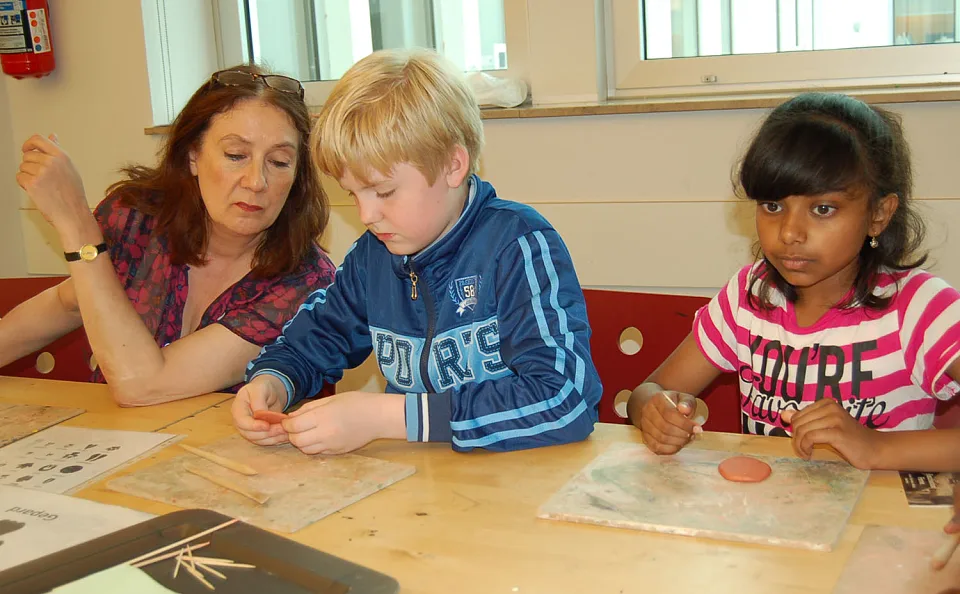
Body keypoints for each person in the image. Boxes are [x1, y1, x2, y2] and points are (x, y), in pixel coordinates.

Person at [232, 49, 601, 454]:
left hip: (518, 484)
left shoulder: (518, 245)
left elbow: (564, 399)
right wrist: (271, 381)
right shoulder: (373, 257)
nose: (366, 214)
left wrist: (386, 417)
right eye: (353, 193)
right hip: (422, 487)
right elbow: (313, 340)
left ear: (452, 166)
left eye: (384, 191)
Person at [628, 92, 960, 472]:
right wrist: (655, 413)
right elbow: (648, 391)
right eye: (773, 206)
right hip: (773, 521)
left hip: (877, 523)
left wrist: (877, 448)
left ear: (879, 215)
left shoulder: (921, 309)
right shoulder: (748, 298)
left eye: (822, 209)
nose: (789, 232)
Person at [5, 64, 335, 405]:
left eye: (279, 162)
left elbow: (143, 386)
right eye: (236, 155)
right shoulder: (137, 220)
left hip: (217, 454)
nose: (256, 182)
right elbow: (69, 303)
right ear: (193, 155)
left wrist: (77, 224)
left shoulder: (307, 284)